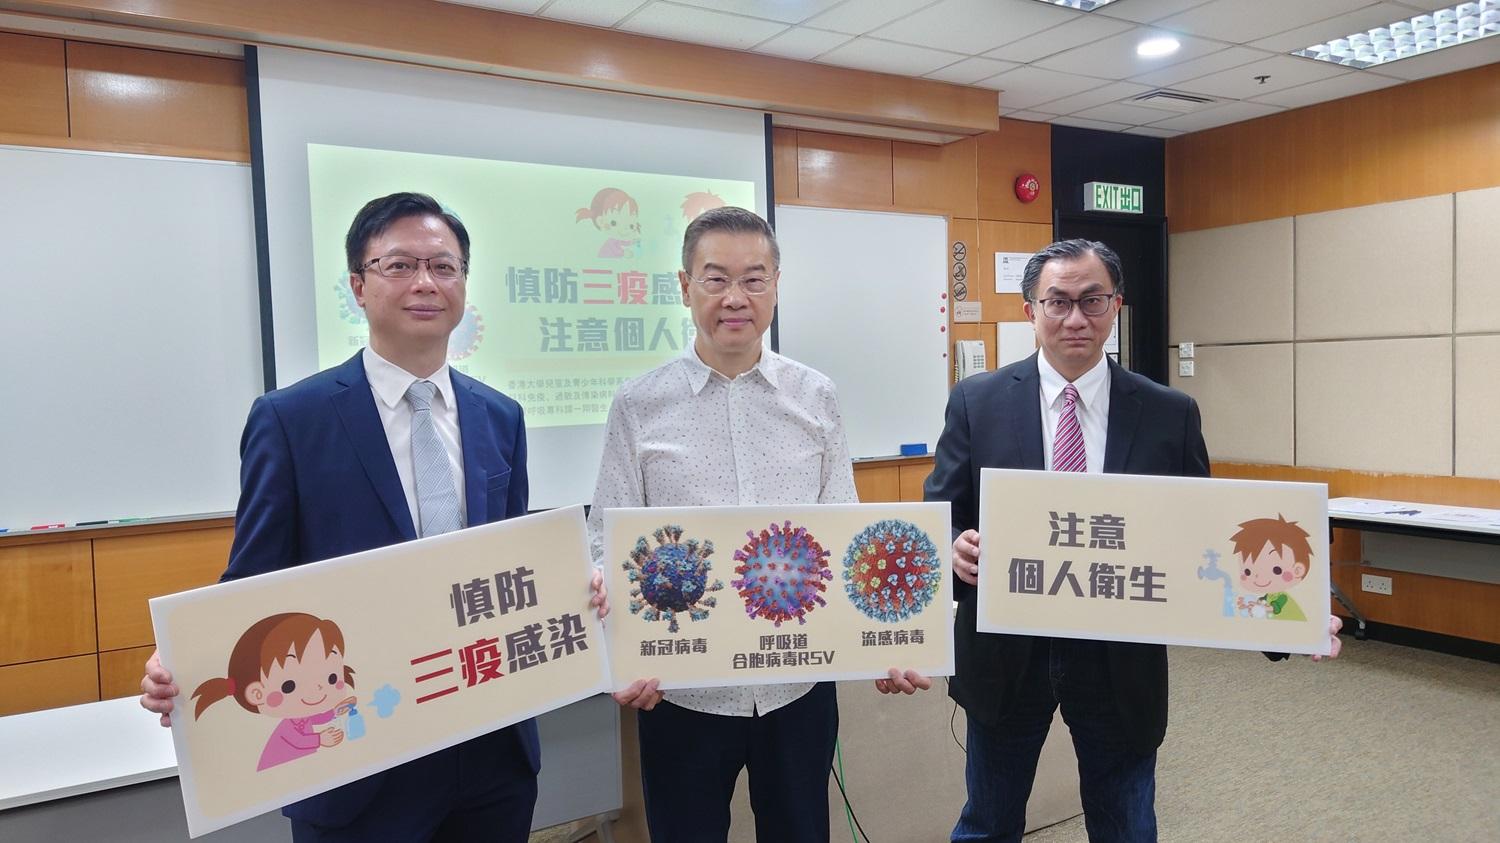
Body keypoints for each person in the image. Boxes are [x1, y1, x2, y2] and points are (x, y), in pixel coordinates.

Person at [140, 192, 603, 842]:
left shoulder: (501, 416)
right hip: (355, 755)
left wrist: (575, 587)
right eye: (400, 265)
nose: (425, 282)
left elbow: (509, 563)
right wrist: (188, 658)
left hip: (490, 748)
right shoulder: (291, 419)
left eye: (443, 266)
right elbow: (253, 579)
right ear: (358, 286)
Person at [923, 239, 1342, 843]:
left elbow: (1209, 536)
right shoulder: (976, 402)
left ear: (1116, 306)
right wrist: (953, 547)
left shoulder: (1170, 413)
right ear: (1030, 310)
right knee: (988, 823)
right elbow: (941, 515)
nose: (1075, 318)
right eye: (1058, 302)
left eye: (1092, 300)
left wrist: (1290, 618)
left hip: (1119, 660)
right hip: (1006, 653)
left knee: (1126, 826)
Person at [587, 206, 930, 843]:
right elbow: (604, 541)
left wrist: (884, 642)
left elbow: (847, 537)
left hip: (797, 685)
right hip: (684, 690)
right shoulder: (639, 404)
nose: (735, 298)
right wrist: (617, 656)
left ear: (776, 285)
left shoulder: (816, 396)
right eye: (716, 279)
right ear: (684, 286)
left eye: (754, 279)